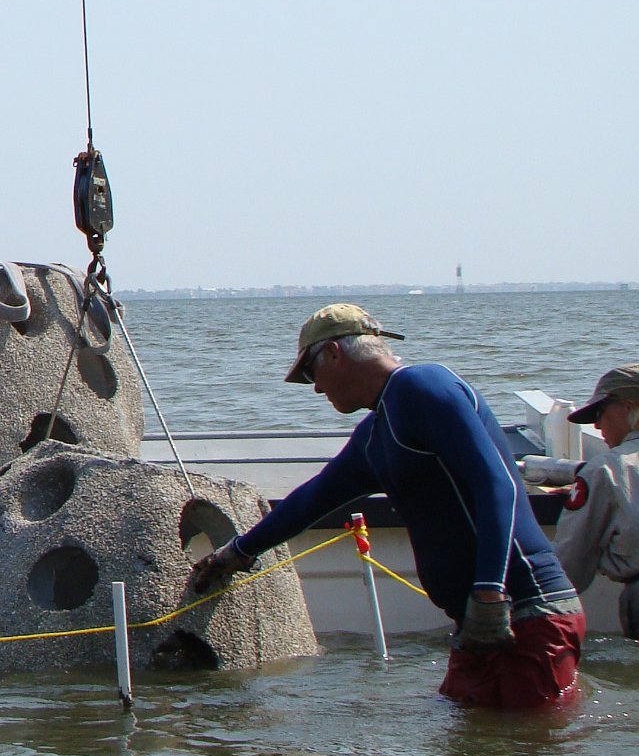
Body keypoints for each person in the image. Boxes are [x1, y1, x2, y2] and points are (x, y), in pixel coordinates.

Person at [186, 303, 585, 709]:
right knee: (471, 750)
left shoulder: (424, 387)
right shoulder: (376, 435)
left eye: (311, 374)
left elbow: (497, 485)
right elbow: (310, 501)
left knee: (535, 752)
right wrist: (234, 554)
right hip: (479, 625)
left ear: (336, 354)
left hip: (525, 611)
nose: (317, 389)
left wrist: (488, 591)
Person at [550, 364, 639, 651]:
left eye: (600, 413)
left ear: (629, 407)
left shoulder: (606, 469)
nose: (597, 426)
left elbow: (569, 567)